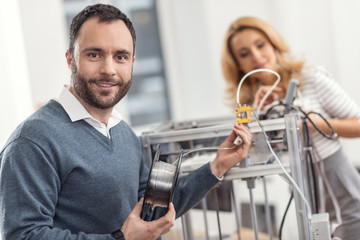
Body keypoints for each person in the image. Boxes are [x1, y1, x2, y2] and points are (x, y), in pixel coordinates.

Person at [0, 4, 252, 240]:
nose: (109, 69)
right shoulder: (33, 140)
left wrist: (218, 165)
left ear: (132, 63)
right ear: (70, 59)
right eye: (94, 54)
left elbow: (152, 209)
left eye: (120, 57)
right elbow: (23, 234)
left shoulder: (122, 133)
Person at [221, 16, 360, 240]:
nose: (257, 57)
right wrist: (256, 115)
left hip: (344, 192)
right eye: (244, 53)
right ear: (238, 64)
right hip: (303, 195)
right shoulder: (248, 103)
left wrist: (316, 123)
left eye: (260, 45)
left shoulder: (311, 79)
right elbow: (250, 156)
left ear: (274, 44)